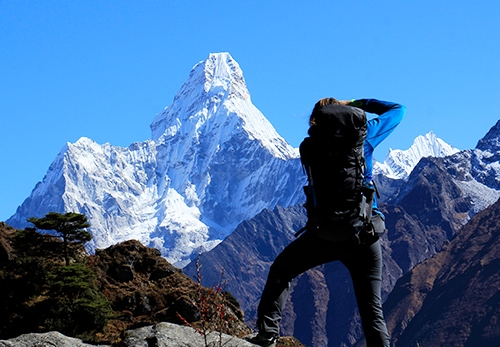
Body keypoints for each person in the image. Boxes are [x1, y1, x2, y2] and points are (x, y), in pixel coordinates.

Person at [247, 98, 406, 347]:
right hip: (363, 234)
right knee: (371, 309)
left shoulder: (309, 147)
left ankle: (267, 335)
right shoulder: (364, 138)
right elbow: (399, 110)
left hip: (323, 235)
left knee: (281, 271)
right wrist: (357, 102)